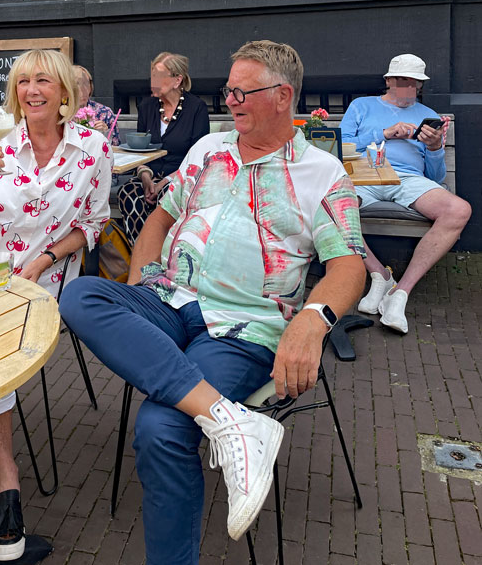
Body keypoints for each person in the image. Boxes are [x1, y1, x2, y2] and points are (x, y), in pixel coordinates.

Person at [60, 40, 365, 565]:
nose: (232, 100)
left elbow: (350, 264)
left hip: (241, 328)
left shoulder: (322, 174)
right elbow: (160, 216)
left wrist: (313, 321)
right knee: (81, 294)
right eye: (229, 90)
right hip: (169, 299)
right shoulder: (208, 151)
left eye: (243, 91)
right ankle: (233, 422)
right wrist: (143, 278)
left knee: (161, 428)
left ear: (282, 96)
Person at [0, 49, 112, 561]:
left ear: (64, 92)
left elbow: (94, 224)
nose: (31, 90)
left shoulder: (92, 150)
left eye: (42, 81)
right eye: (22, 83)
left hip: (42, 272)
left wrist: (45, 260)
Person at [340, 53, 471, 334]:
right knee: (331, 205)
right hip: (364, 176)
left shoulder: (429, 117)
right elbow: (342, 148)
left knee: (459, 210)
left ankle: (399, 292)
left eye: (414, 83)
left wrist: (435, 148)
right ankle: (379, 273)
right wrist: (383, 133)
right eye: (402, 81)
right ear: (388, 81)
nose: (408, 88)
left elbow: (435, 177)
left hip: (408, 180)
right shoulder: (361, 106)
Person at [117, 52, 209, 243]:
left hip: (182, 176)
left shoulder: (196, 108)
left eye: (159, 76)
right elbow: (139, 151)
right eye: (153, 75)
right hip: (149, 175)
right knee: (129, 192)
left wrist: (164, 181)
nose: (154, 81)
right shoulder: (147, 106)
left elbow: (199, 157)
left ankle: (166, 255)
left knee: (167, 197)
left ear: (177, 80)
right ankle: (141, 254)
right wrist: (145, 177)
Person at [73, 64, 121, 146]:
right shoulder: (59, 112)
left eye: (86, 84)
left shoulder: (105, 112)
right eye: (77, 84)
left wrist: (105, 134)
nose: (82, 90)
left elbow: (116, 147)